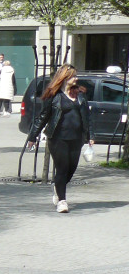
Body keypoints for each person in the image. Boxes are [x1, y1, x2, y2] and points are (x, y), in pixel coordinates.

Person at [28, 65, 95, 214]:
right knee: (62, 169)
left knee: (71, 169)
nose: (75, 78)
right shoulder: (54, 95)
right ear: (64, 78)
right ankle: (62, 201)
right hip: (58, 138)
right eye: (72, 76)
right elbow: (42, 117)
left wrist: (91, 135)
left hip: (77, 138)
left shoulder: (80, 95)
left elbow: (87, 117)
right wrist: (33, 136)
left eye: (75, 75)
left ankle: (57, 186)